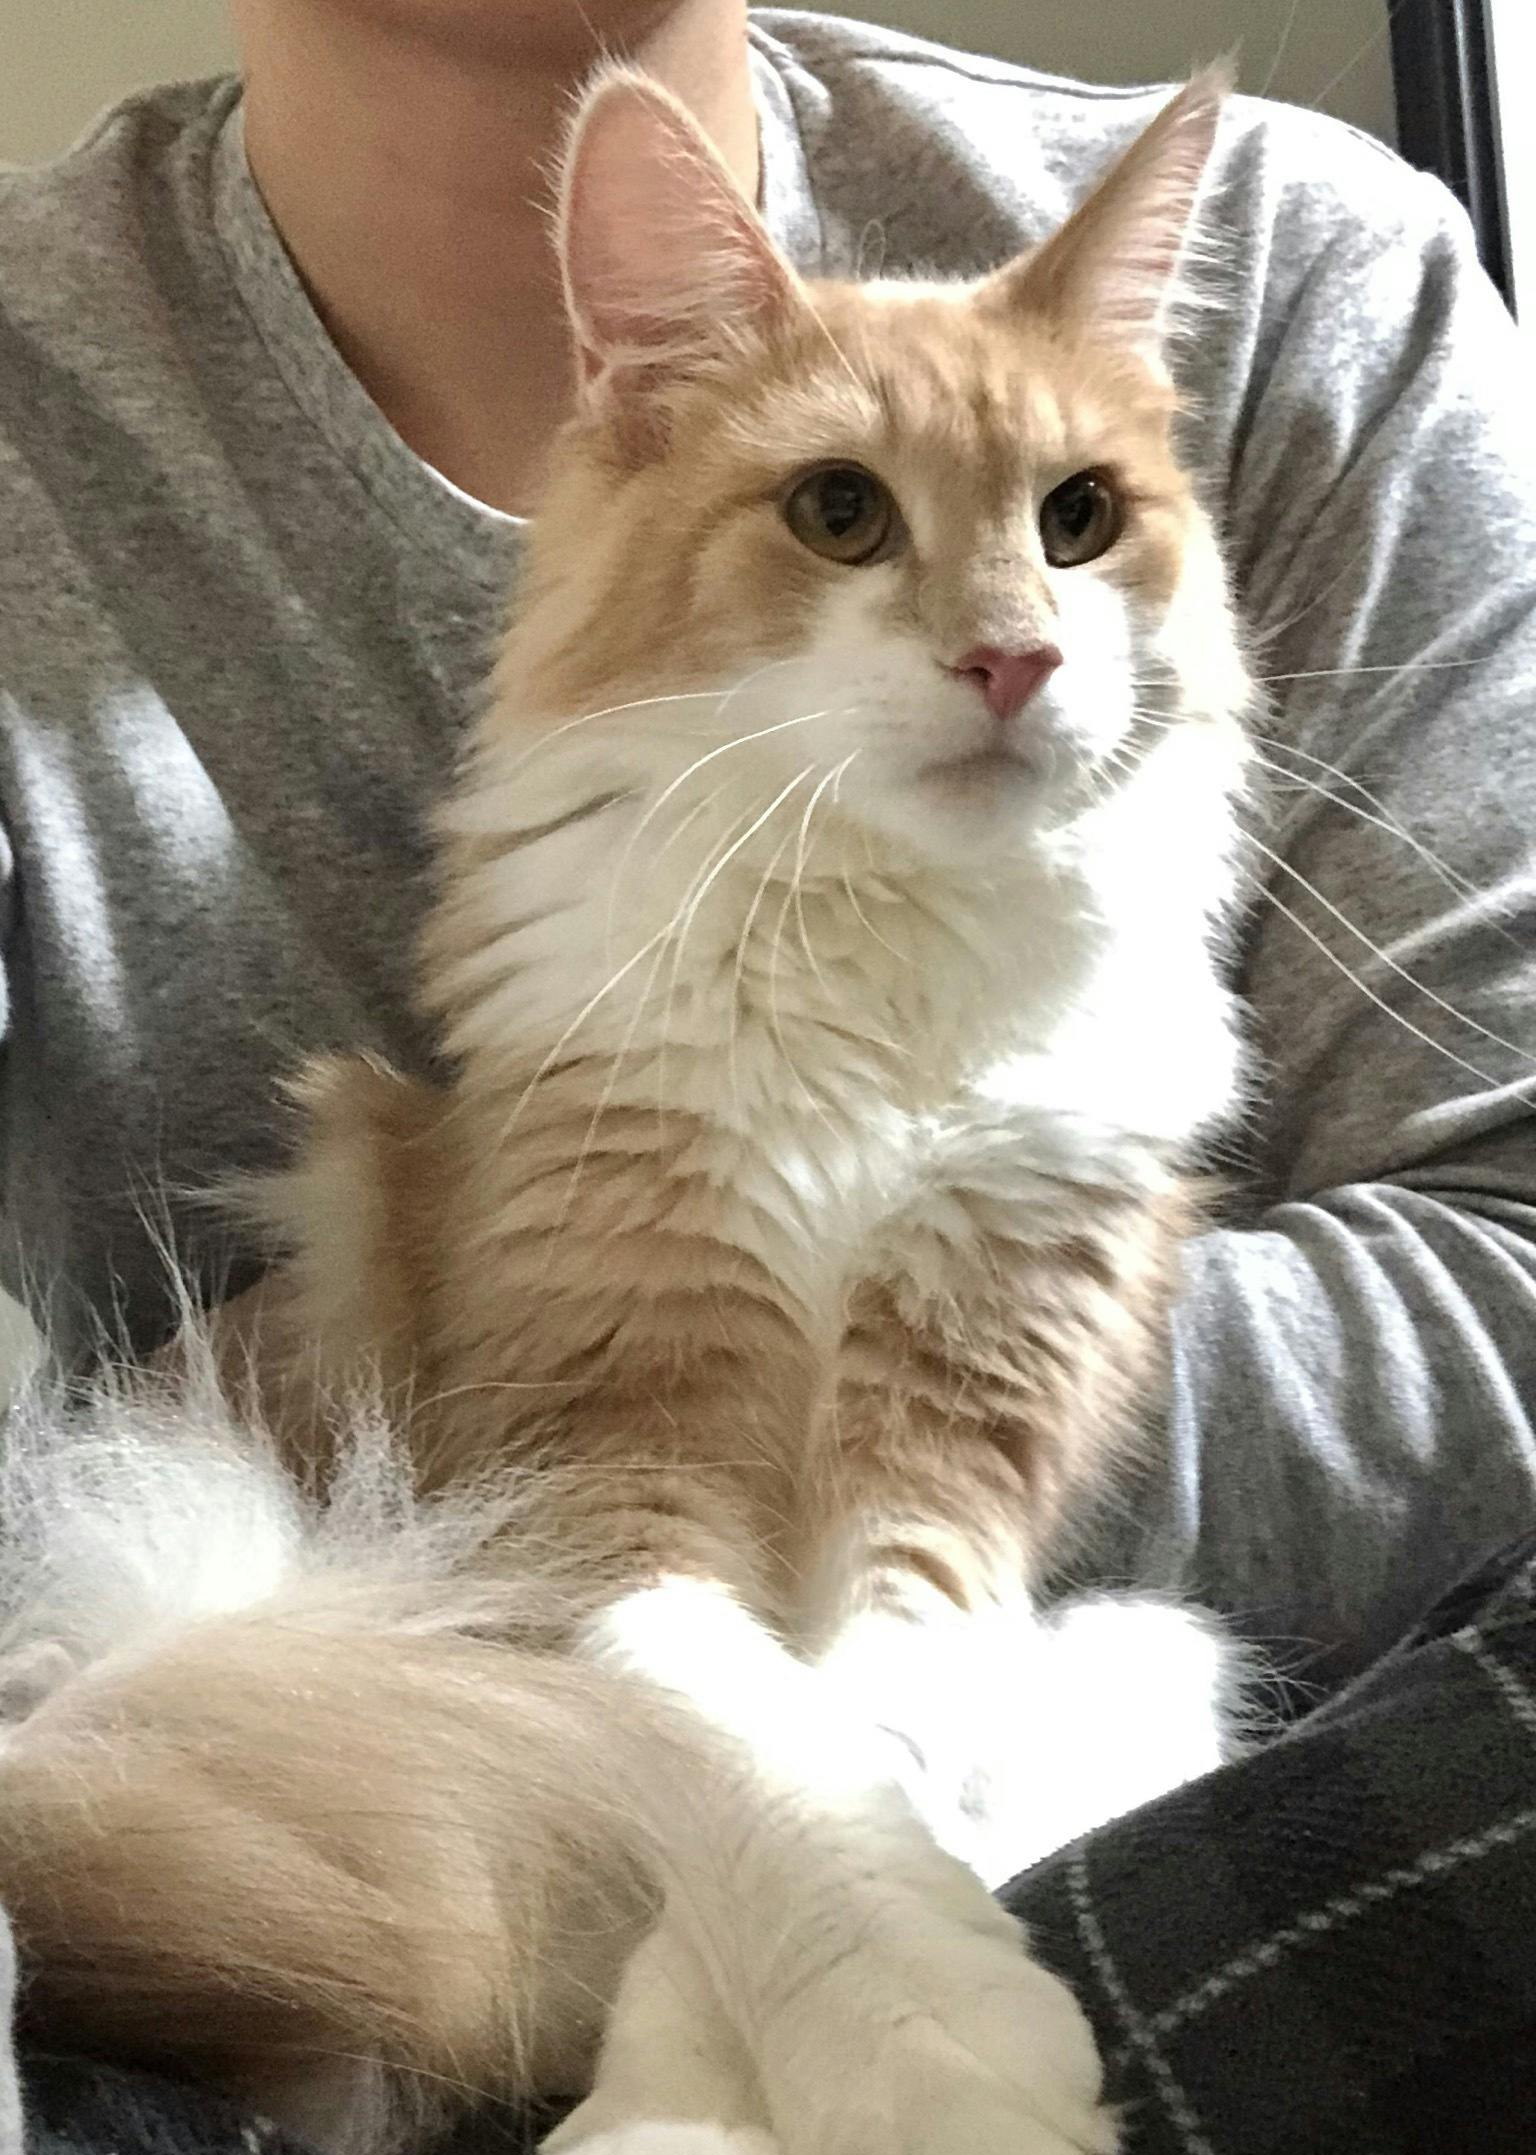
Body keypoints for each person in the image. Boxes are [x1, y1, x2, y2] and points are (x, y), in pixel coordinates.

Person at [0, 0, 1532, 1691]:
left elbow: (1511, 1266)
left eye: (1077, 515)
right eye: (844, 509)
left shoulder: (1315, 260)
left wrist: (906, 1442)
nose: (1006, 637)